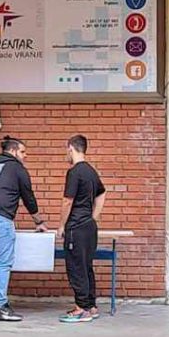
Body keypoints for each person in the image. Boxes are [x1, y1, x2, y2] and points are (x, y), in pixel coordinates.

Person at [0, 136, 46, 322]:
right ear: (13, 151)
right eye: (23, 152)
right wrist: (38, 221)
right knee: (3, 262)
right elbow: (28, 196)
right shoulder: (17, 168)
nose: (25, 156)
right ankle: (0, 306)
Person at [57, 135, 106, 324]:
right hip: (89, 227)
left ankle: (81, 309)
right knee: (87, 266)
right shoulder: (91, 171)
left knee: (76, 268)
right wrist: (93, 217)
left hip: (75, 227)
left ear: (71, 148)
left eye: (66, 150)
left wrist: (62, 225)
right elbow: (102, 194)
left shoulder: (75, 172)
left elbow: (67, 201)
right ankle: (91, 306)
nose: (66, 154)